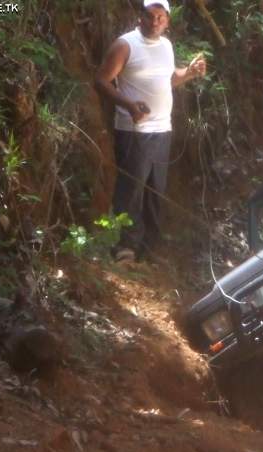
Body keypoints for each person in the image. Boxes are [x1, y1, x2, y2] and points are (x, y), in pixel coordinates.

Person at [94, 0, 207, 262]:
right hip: (135, 130)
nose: (155, 21)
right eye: (150, 15)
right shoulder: (126, 44)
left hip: (162, 129)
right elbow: (100, 80)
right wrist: (129, 105)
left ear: (167, 20)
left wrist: (189, 73)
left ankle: (150, 247)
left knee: (156, 189)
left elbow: (168, 80)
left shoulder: (166, 45)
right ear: (140, 16)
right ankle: (125, 247)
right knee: (132, 188)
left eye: (160, 16)